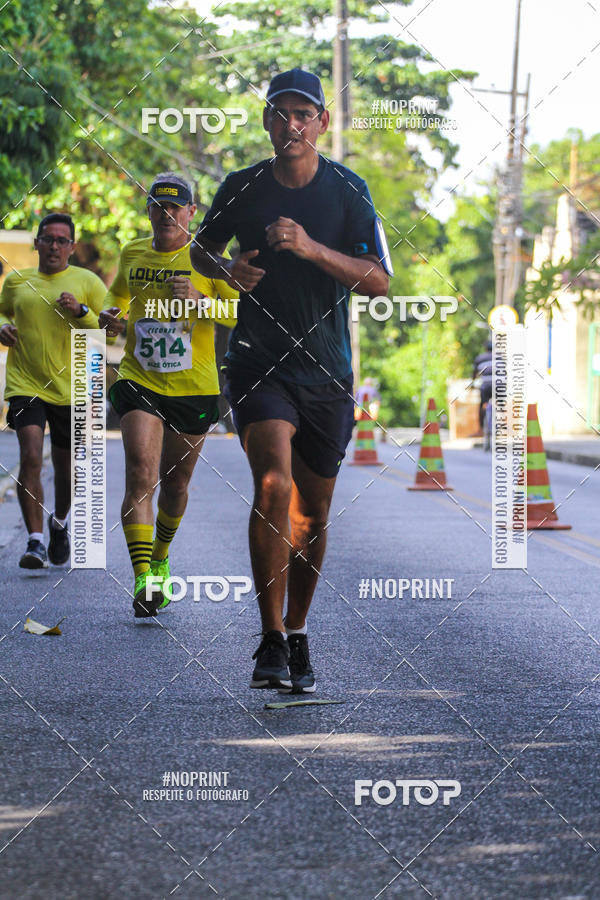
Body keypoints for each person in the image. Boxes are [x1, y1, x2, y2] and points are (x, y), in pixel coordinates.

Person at [190, 69, 390, 692]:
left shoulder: (349, 191)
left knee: (313, 514)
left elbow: (380, 280)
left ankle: (298, 632)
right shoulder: (241, 186)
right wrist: (225, 269)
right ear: (267, 121)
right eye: (281, 113)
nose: (292, 124)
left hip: (327, 373)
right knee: (273, 484)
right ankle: (271, 637)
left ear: (322, 122)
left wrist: (310, 248)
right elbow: (200, 249)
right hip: (258, 362)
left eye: (304, 114)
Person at [99, 173, 238, 618]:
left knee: (175, 485)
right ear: (148, 211)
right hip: (140, 380)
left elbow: (239, 313)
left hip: (194, 388)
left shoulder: (210, 260)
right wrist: (110, 316)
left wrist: (201, 300)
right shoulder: (133, 252)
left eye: (176, 207)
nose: (167, 214)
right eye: (159, 206)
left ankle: (160, 557)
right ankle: (144, 578)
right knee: (141, 475)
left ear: (191, 212)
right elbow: (117, 297)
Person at [0, 213, 105, 568]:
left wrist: (81, 311)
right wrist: (2, 327)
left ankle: (59, 523)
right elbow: (2, 313)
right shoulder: (16, 282)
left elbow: (110, 330)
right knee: (30, 455)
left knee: (66, 470)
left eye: (62, 241)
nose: (54, 246)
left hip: (72, 387)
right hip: (26, 383)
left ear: (72, 247)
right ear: (37, 244)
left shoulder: (87, 281)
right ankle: (35, 542)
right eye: (48, 239)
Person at [472, 338, 493, 431]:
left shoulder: (480, 358)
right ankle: (503, 425)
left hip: (486, 386)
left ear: (485, 349)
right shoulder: (500, 357)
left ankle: (480, 429)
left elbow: (474, 373)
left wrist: (472, 384)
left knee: (483, 404)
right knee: (500, 403)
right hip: (499, 385)